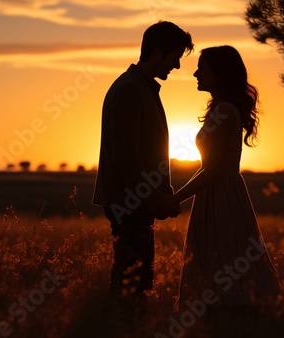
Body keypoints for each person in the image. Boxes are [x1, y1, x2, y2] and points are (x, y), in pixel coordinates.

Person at [173, 46, 284, 327]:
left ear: (219, 72)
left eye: (203, 68)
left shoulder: (224, 111)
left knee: (224, 259)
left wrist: (174, 198)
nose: (197, 73)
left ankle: (232, 323)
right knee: (226, 261)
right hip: (219, 194)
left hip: (221, 196)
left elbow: (212, 169)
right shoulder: (222, 108)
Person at [92, 21, 194, 302]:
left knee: (138, 280)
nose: (177, 66)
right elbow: (125, 155)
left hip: (137, 201)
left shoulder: (140, 87)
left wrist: (161, 194)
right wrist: (154, 198)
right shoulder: (130, 90)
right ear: (158, 52)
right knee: (131, 282)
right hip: (130, 202)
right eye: (175, 58)